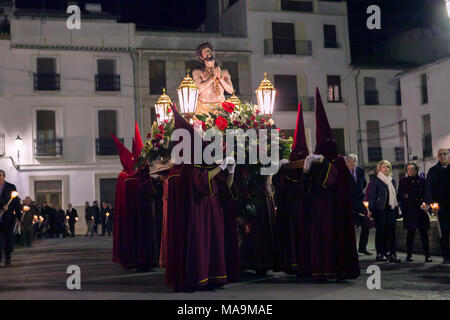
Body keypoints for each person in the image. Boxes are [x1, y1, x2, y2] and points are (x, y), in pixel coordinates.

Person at [298, 88, 360, 281]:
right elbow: (307, 188)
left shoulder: (338, 161)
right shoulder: (316, 161)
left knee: (335, 240)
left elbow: (341, 184)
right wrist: (307, 170)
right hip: (320, 210)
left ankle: (339, 271)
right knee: (321, 241)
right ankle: (323, 271)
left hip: (335, 210)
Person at [272, 102, 309, 274]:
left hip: (303, 210)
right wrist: (280, 171)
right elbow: (278, 186)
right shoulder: (286, 171)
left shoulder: (309, 170)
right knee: (291, 236)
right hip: (289, 209)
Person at [397, 162, 432, 263]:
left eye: (413, 169)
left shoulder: (423, 181)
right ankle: (409, 255)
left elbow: (427, 194)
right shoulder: (403, 181)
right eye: (408, 169)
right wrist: (405, 201)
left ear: (416, 170)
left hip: (421, 210)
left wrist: (427, 205)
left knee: (424, 234)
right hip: (410, 211)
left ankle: (427, 255)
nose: (411, 171)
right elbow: (400, 195)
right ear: (406, 170)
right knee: (410, 234)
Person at [368, 160, 401, 263]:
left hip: (391, 209)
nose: (386, 169)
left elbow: (395, 197)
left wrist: (397, 210)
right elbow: (372, 197)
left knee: (392, 233)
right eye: (383, 167)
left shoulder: (392, 180)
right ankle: (380, 253)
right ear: (379, 169)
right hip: (380, 210)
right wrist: (371, 211)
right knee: (381, 233)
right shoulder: (376, 180)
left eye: (387, 167)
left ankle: (393, 254)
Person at [192, 42, 234, 116]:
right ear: (201, 57)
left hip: (220, 108)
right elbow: (198, 90)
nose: (208, 53)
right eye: (205, 52)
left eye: (209, 51)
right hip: (204, 108)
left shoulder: (224, 72)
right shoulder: (198, 72)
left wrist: (220, 78)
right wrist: (212, 78)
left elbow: (230, 90)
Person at [425, 148, 450, 264]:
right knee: (443, 232)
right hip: (441, 207)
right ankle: (446, 256)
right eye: (440, 154)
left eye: (445, 154)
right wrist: (430, 205)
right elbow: (429, 188)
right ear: (438, 157)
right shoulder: (433, 171)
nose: (443, 156)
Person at [346, 154, 371, 255]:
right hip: (349, 204)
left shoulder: (360, 170)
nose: (352, 163)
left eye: (354, 161)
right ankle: (351, 250)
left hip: (360, 202)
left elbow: (364, 183)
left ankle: (362, 247)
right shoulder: (343, 172)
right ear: (346, 162)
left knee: (366, 226)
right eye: (350, 161)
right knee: (350, 228)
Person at [0, 170, 22, 266]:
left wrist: (19, 217)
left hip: (8, 218)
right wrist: (1, 206)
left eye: (0, 175)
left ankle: (7, 257)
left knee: (8, 238)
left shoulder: (11, 187)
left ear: (4, 177)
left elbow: (16, 203)